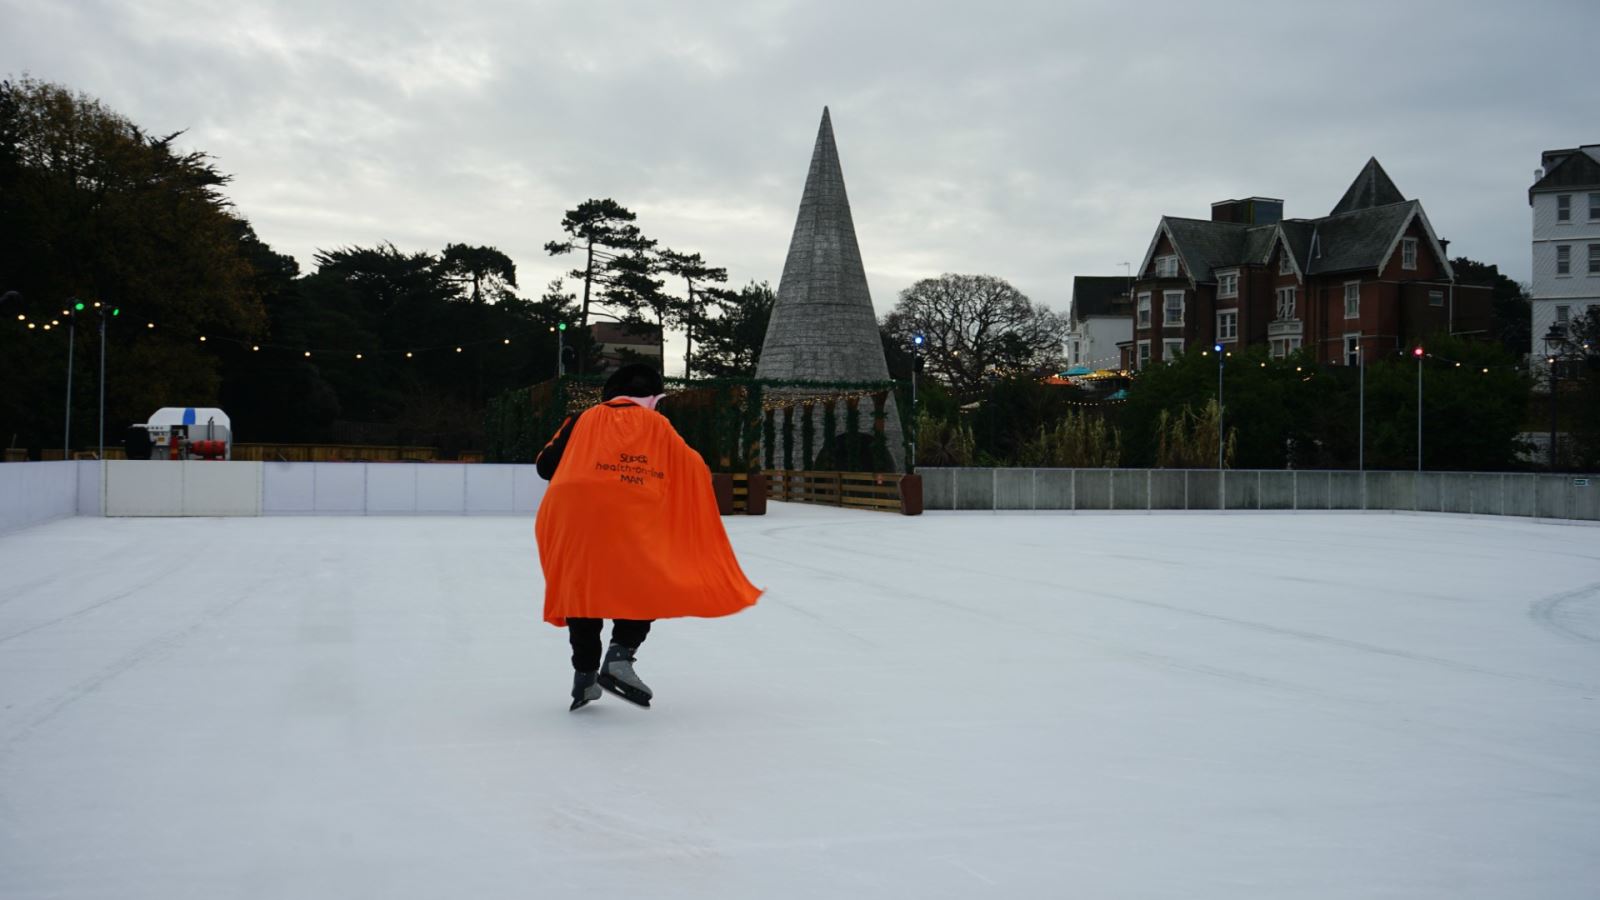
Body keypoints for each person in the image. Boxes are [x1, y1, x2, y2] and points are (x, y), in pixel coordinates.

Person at [535, 364, 761, 711]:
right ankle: (620, 656)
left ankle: (585, 677)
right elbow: (693, 467)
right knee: (646, 579)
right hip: (632, 513)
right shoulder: (659, 426)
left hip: (572, 515)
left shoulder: (579, 420)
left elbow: (545, 465)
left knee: (582, 587)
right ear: (652, 398)